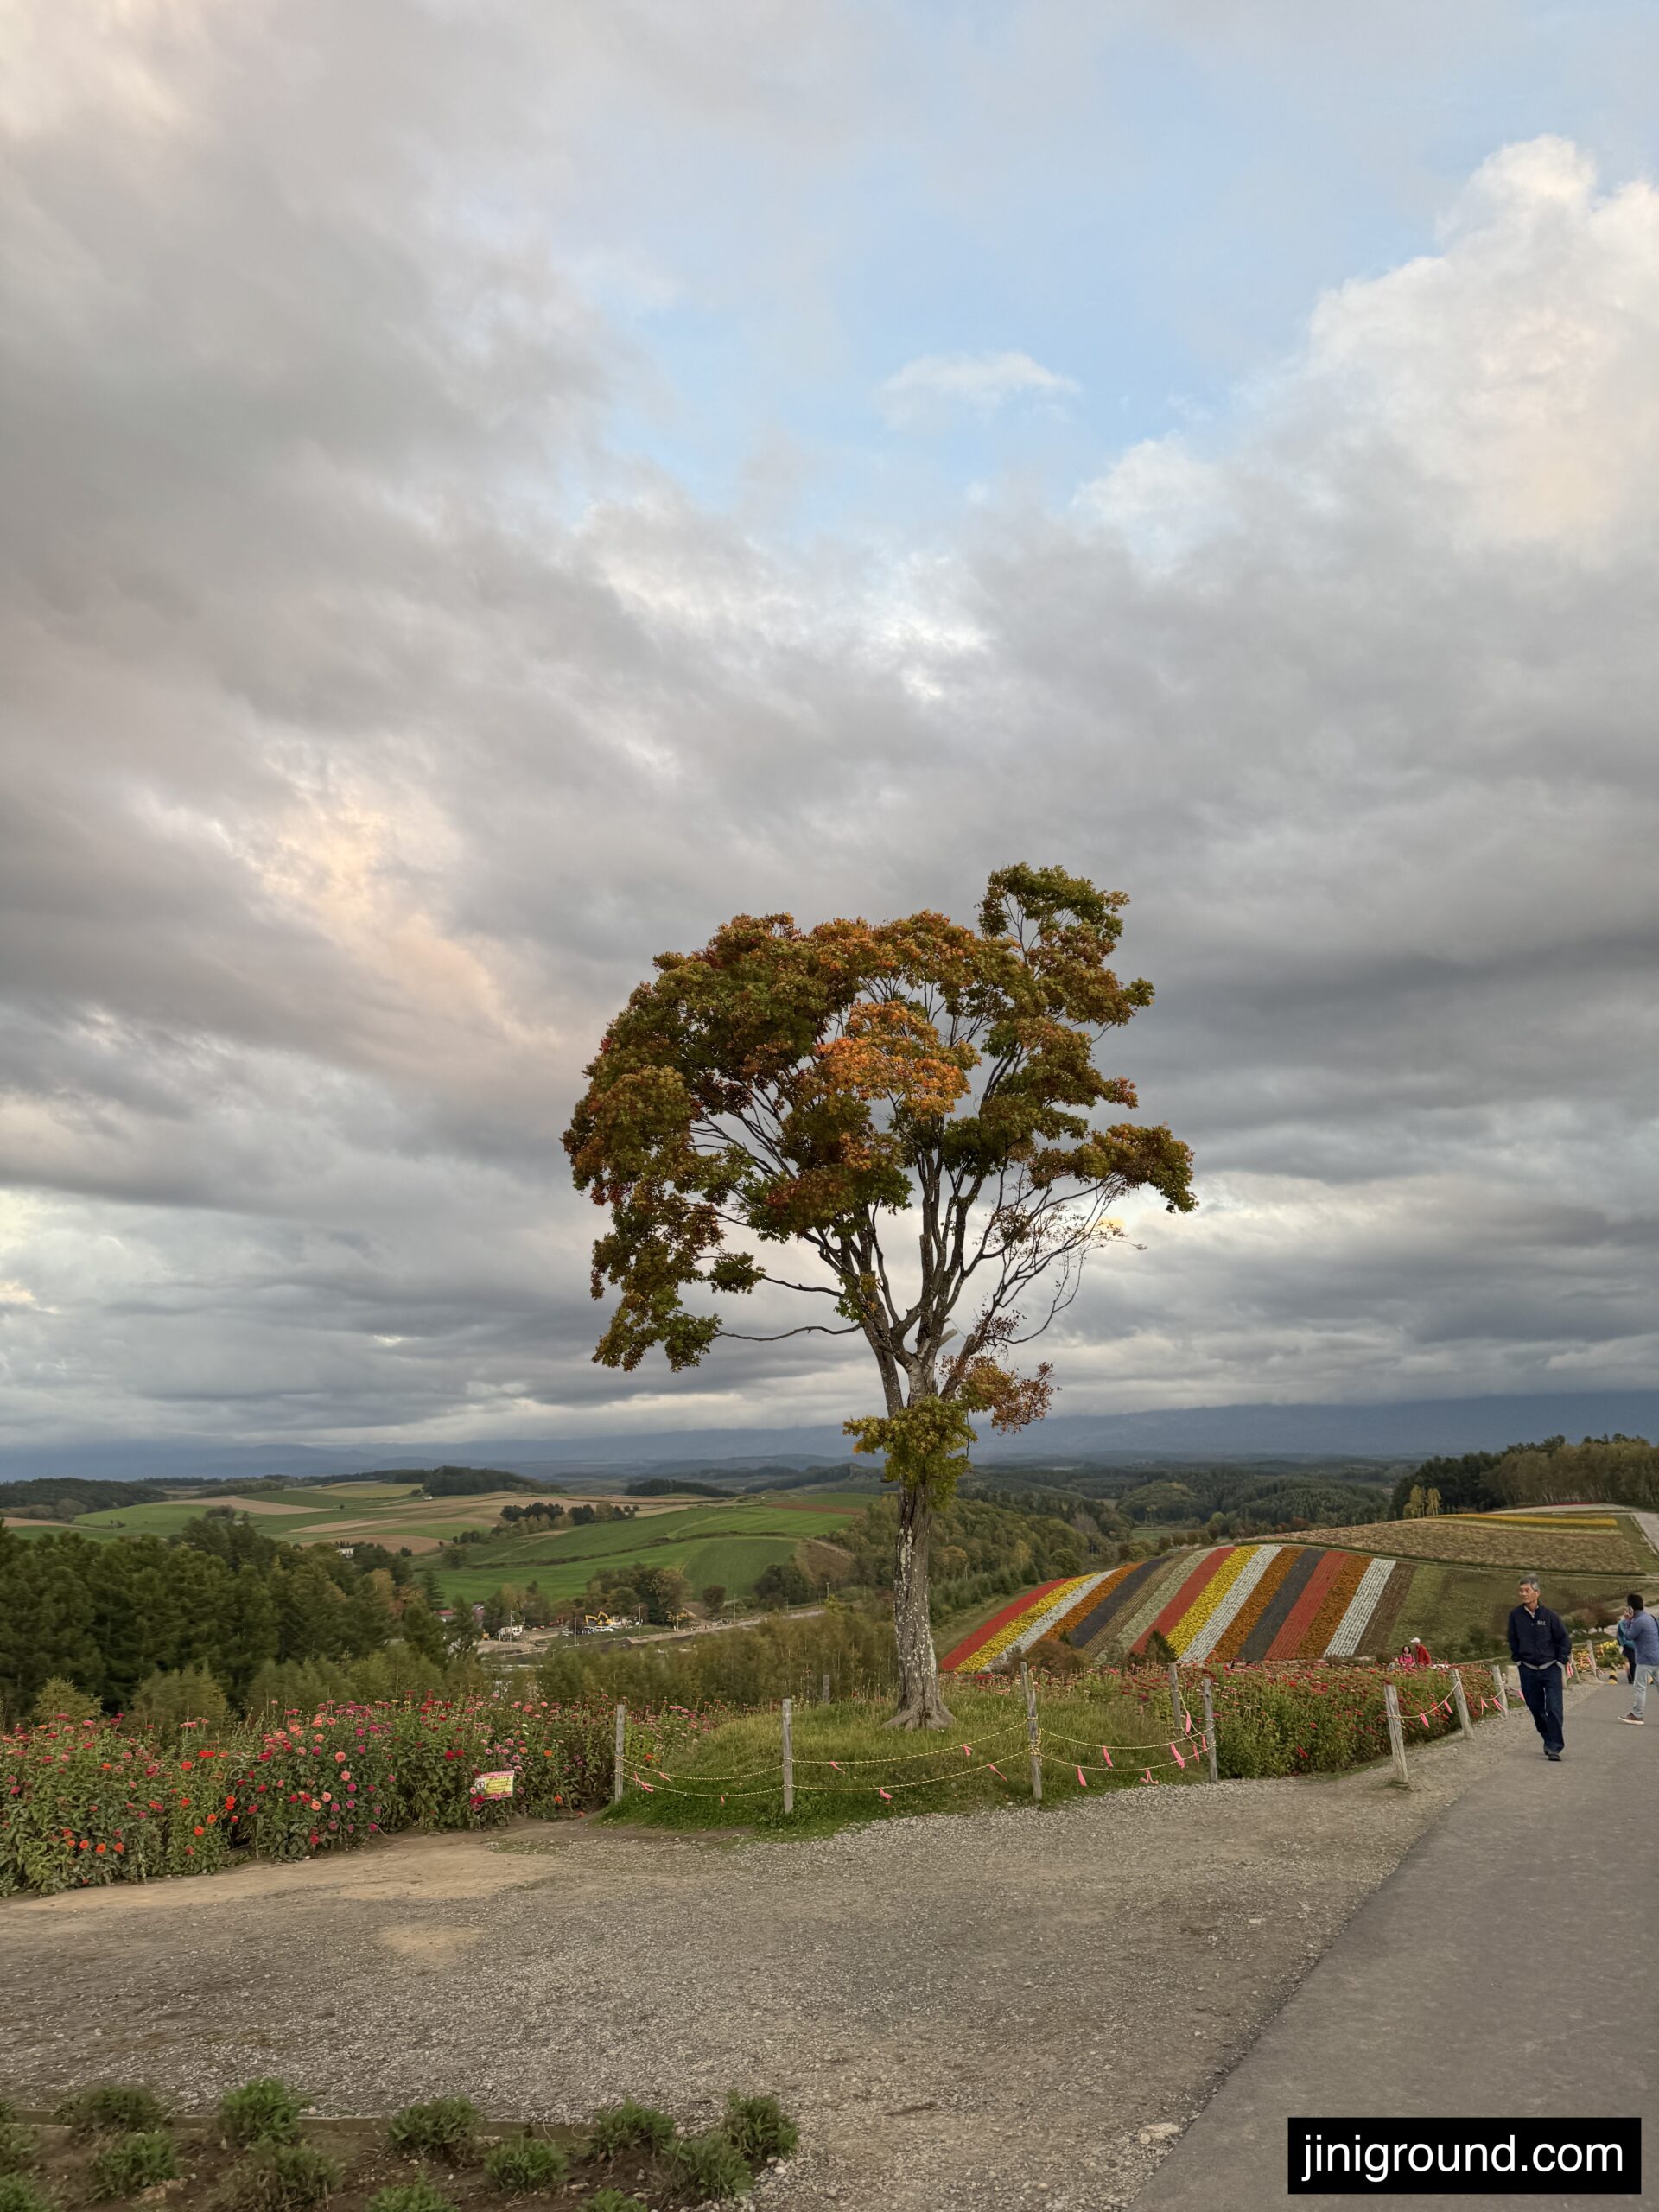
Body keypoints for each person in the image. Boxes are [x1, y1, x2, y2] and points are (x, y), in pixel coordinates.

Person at [1507, 1573, 1569, 1760]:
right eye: (1521, 1591)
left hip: (1551, 1669)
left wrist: (1561, 1661)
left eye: (1527, 1590)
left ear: (1537, 1593)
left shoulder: (1550, 1616)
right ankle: (1548, 1738)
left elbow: (1563, 1639)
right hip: (1527, 1669)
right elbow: (1512, 1639)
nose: (1524, 1594)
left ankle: (1554, 1747)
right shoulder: (1515, 1616)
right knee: (1536, 1708)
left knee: (1554, 1707)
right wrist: (1518, 1659)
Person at [1618, 1595, 1659, 1725]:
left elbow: (1629, 1636)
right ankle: (1636, 1713)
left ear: (1631, 1607)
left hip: (1645, 1659)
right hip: (1657, 1657)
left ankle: (1637, 1714)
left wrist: (1627, 1620)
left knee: (1640, 1687)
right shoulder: (1652, 1618)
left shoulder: (1638, 1621)